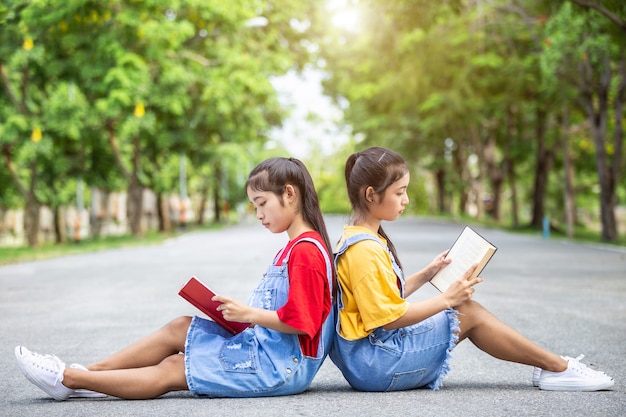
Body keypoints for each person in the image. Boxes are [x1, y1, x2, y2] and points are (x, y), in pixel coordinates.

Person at [15, 157, 335, 400]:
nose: (259, 215)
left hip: (282, 367)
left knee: (173, 368)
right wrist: (235, 317)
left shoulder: (305, 252)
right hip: (270, 350)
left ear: (289, 195)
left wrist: (248, 314)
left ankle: (68, 379)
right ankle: (90, 371)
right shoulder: (294, 247)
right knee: (180, 326)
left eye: (262, 204)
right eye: (254, 206)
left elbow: (301, 322)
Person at [329, 146, 614, 392]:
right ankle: (557, 367)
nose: (405, 200)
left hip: (369, 361)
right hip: (378, 364)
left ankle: (553, 366)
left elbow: (377, 297)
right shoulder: (364, 249)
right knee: (469, 311)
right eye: (399, 192)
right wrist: (447, 299)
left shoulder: (357, 238)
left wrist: (428, 274)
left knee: (466, 309)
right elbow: (388, 318)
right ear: (370, 195)